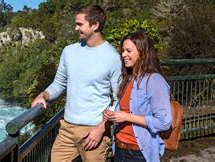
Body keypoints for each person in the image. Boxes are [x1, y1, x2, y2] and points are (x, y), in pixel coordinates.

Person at [31, 4, 122, 161]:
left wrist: (101, 128)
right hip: (66, 128)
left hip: (94, 131)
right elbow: (59, 84)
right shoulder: (69, 51)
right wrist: (43, 95)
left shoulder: (112, 57)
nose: (75, 28)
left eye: (80, 24)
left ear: (95, 25)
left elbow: (119, 98)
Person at [103, 31, 172, 162]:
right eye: (123, 51)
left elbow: (164, 122)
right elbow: (127, 110)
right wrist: (112, 115)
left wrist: (126, 117)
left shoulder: (154, 80)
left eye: (128, 51)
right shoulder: (128, 79)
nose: (123, 55)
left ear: (142, 52)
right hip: (118, 148)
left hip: (139, 153)